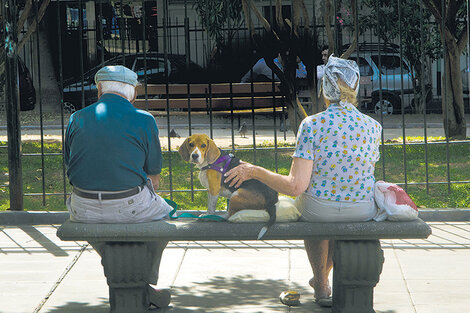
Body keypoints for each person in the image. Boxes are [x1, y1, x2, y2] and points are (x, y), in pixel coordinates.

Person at [224, 56, 382, 307]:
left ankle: (320, 282)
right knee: (331, 206)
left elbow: (295, 186)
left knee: (314, 206)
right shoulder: (374, 127)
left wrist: (254, 171)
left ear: (325, 90)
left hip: (319, 209)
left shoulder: (312, 125)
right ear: (354, 88)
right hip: (362, 209)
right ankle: (322, 280)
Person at [64, 65, 173, 309]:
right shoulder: (144, 119)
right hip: (129, 205)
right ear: (132, 93)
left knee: (107, 231)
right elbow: (153, 177)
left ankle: (125, 273)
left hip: (83, 207)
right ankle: (143, 280)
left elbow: (69, 165)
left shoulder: (76, 118)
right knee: (165, 217)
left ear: (99, 88)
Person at [240, 54, 307, 83]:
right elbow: (246, 78)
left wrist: (299, 62)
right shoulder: (263, 63)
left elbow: (303, 75)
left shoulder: (290, 68)